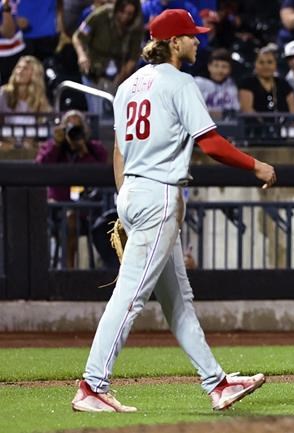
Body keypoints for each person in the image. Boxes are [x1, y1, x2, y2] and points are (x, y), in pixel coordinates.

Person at [71, 8, 276, 413]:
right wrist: (257, 165)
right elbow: (212, 143)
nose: (197, 41)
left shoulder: (128, 85)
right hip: (159, 196)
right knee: (129, 299)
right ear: (173, 42)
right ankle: (92, 385)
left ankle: (217, 383)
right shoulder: (179, 81)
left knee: (178, 300)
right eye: (191, 35)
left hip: (132, 190)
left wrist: (126, 202)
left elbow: (118, 150)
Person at [36, 110, 108, 269]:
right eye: (70, 127)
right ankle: (68, 270)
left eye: (78, 127)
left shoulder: (93, 149)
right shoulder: (53, 147)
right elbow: (41, 166)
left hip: (88, 211)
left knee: (76, 218)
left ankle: (71, 270)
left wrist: (83, 152)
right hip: (57, 210)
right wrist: (56, 144)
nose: (74, 131)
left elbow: (101, 171)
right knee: (70, 218)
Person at [72, 0, 144, 115]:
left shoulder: (136, 25)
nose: (125, 17)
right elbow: (78, 37)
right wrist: (82, 56)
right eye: (122, 12)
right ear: (117, 9)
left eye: (129, 14)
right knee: (97, 113)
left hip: (118, 77)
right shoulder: (100, 15)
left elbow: (134, 57)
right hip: (93, 72)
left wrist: (121, 76)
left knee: (117, 115)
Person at [0, 55, 52, 150]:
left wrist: (31, 144)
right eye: (18, 68)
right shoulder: (4, 93)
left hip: (30, 146)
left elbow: (44, 127)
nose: (19, 71)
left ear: (35, 74)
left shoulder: (40, 98)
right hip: (6, 146)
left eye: (25, 69)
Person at [194, 48, 240, 118]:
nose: (220, 70)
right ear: (209, 66)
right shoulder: (197, 83)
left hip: (228, 126)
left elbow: (236, 110)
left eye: (224, 67)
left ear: (230, 69)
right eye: (216, 65)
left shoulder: (232, 85)